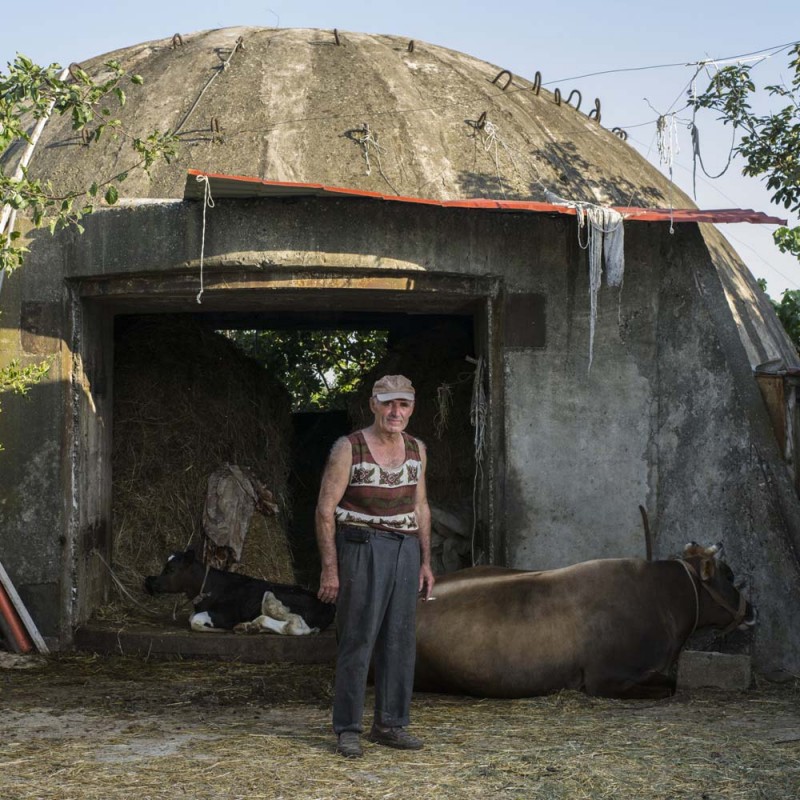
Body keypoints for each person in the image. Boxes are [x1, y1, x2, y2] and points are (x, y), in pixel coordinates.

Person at [316, 374, 435, 758]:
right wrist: (330, 568)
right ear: (373, 404)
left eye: (403, 404)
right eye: (387, 403)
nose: (395, 411)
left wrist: (425, 561)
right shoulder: (349, 448)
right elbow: (324, 511)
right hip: (361, 546)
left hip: (405, 549)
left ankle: (390, 724)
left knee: (400, 640)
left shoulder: (417, 449)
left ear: (412, 407)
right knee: (358, 636)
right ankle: (348, 728)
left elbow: (421, 507)